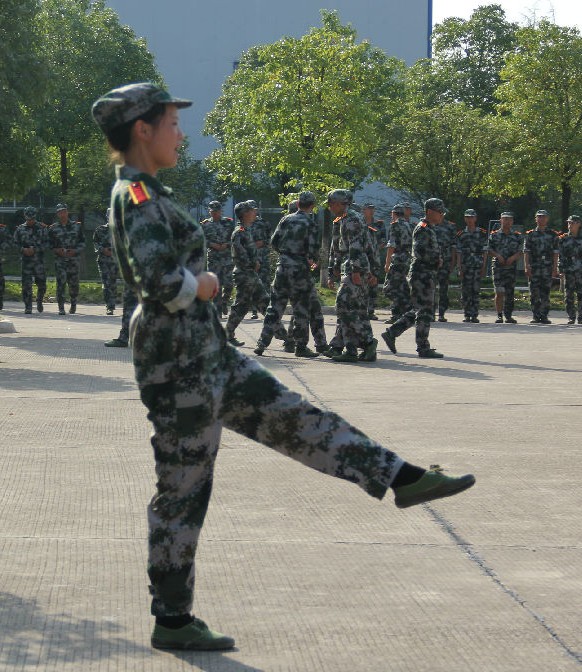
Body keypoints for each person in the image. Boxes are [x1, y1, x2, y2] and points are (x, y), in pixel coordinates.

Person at [91, 82, 475, 651]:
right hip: (181, 367)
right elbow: (158, 281)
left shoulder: (149, 191)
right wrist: (206, 285)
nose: (181, 132)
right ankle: (172, 619)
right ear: (141, 129)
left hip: (203, 356)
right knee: (183, 489)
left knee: (296, 418)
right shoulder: (138, 197)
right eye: (172, 122)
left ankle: (403, 477)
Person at [253, 190, 321, 358]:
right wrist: (312, 259)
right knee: (301, 308)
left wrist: (285, 254)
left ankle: (262, 342)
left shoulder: (286, 219)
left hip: (282, 267)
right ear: (312, 206)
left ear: (298, 204)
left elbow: (274, 242)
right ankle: (301, 346)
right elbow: (313, 249)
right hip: (300, 269)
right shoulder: (310, 223)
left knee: (275, 307)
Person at [381, 198, 446, 359]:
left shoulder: (429, 228)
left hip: (426, 274)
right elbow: (419, 251)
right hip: (421, 274)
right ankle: (422, 347)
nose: (442, 216)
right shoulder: (423, 228)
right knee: (424, 311)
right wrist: (435, 259)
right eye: (440, 212)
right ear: (430, 212)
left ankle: (392, 332)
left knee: (420, 310)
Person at [326, 190, 378, 362]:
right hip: (354, 265)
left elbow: (356, 246)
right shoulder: (348, 217)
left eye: (332, 203)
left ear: (341, 203)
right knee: (357, 308)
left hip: (354, 267)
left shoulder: (351, 218)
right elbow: (363, 245)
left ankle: (363, 344)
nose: (330, 207)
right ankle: (349, 346)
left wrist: (356, 271)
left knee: (343, 305)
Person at [224, 201, 270, 345]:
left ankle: (285, 338)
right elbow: (239, 254)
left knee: (263, 303)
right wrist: (253, 263)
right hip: (244, 274)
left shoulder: (246, 230)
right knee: (243, 306)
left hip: (250, 273)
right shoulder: (239, 232)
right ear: (244, 214)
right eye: (251, 211)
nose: (254, 212)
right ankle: (227, 334)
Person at [523, 210, 559, 324]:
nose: (541, 219)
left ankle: (544, 315)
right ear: (536, 219)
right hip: (534, 266)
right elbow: (526, 252)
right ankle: (535, 315)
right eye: (539, 217)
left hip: (547, 267)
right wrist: (526, 266)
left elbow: (555, 252)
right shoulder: (530, 234)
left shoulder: (553, 234)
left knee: (545, 292)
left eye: (543, 217)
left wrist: (555, 268)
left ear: (547, 219)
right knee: (534, 292)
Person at [49, 203, 85, 315]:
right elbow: (49, 243)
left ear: (67, 212)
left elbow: (83, 242)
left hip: (73, 259)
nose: (62, 214)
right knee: (61, 283)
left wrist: (75, 250)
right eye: (60, 212)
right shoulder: (53, 228)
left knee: (73, 284)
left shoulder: (76, 226)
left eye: (64, 211)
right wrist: (56, 250)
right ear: (57, 214)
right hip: (60, 259)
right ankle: (61, 307)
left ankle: (73, 304)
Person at [487, 212, 523, 323]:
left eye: (509, 219)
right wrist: (498, 255)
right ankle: (499, 315)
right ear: (500, 221)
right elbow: (489, 249)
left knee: (510, 292)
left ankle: (508, 315)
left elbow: (521, 250)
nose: (507, 221)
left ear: (512, 222)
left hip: (511, 268)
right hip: (498, 267)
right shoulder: (494, 235)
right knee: (499, 291)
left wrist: (512, 258)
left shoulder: (517, 236)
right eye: (505, 219)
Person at [453, 209, 488, 323]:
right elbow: (458, 252)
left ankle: (474, 314)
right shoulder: (461, 234)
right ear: (465, 219)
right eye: (467, 217)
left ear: (475, 218)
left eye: (472, 217)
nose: (470, 219)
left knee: (476, 290)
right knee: (466, 290)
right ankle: (467, 314)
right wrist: (459, 268)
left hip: (477, 264)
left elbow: (485, 252)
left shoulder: (482, 233)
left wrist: (484, 268)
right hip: (465, 264)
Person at [557, 215, 582, 325]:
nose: (570, 225)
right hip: (568, 269)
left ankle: (581, 317)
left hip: (580, 269)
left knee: (581, 294)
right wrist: (561, 269)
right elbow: (561, 255)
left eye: (573, 223)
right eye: (569, 223)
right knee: (569, 294)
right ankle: (571, 316)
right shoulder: (563, 239)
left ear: (578, 224)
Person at [13, 206, 49, 314]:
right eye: (28, 219)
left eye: (32, 218)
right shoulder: (20, 229)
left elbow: (47, 243)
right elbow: (15, 243)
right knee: (26, 285)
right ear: (25, 217)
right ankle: (28, 306)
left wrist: (36, 249)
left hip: (39, 261)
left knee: (42, 284)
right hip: (26, 261)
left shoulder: (42, 228)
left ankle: (39, 300)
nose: (30, 221)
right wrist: (22, 250)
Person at [200, 201, 233, 316]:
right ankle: (217, 311)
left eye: (217, 211)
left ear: (220, 211)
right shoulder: (205, 224)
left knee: (229, 283)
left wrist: (226, 244)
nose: (215, 213)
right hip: (213, 258)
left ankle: (225, 301)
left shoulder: (228, 223)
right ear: (209, 211)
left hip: (227, 257)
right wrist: (212, 244)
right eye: (212, 211)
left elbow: (235, 237)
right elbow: (201, 240)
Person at [383, 204, 413, 323]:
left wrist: (387, 263)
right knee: (403, 287)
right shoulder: (408, 225)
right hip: (407, 259)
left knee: (390, 287)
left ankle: (397, 314)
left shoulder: (395, 225)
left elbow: (391, 245)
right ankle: (408, 312)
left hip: (398, 259)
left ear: (393, 214)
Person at [248, 200, 273, 319]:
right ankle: (254, 310)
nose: (253, 211)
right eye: (250, 209)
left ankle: (266, 308)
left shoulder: (264, 224)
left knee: (265, 283)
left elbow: (271, 239)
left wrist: (262, 242)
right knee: (252, 284)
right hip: (250, 259)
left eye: (254, 209)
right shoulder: (243, 225)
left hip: (263, 258)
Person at [361, 203, 384, 321]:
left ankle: (371, 311)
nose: (372, 210)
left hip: (374, 259)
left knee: (373, 284)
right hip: (362, 258)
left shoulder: (379, 224)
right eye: (369, 209)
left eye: (373, 208)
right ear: (363, 211)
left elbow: (383, 240)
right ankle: (361, 309)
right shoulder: (359, 224)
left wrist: (374, 249)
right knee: (362, 284)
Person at [94, 210, 119, 315]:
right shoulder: (100, 229)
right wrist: (103, 250)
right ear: (107, 217)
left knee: (113, 283)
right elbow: (95, 242)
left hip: (116, 261)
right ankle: (110, 306)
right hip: (104, 260)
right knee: (106, 283)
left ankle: (112, 303)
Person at [432, 211, 456, 322]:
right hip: (432, 261)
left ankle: (441, 313)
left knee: (443, 289)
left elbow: (454, 246)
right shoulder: (430, 225)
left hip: (446, 261)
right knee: (431, 288)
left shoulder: (450, 226)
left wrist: (453, 263)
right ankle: (431, 313)